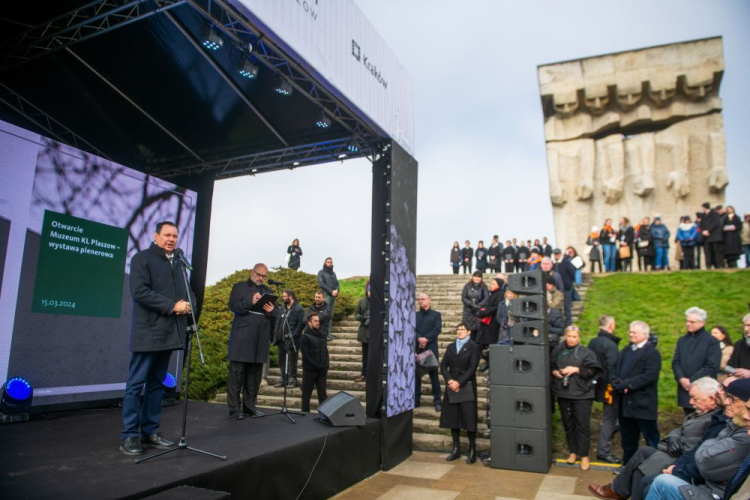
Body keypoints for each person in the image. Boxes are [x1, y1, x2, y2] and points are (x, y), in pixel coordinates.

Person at [120, 221, 195, 455]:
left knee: (156, 386)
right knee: (135, 385)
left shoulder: (179, 264)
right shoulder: (142, 259)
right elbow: (140, 292)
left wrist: (190, 305)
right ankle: (130, 436)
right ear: (156, 237)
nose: (171, 239)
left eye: (175, 235)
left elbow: (188, 293)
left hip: (170, 334)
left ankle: (150, 432)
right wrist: (173, 306)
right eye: (167, 235)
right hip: (148, 333)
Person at [588, 377, 721, 500]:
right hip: (674, 451)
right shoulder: (703, 411)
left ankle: (621, 491)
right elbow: (681, 429)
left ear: (711, 399)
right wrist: (672, 438)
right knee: (643, 451)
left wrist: (675, 446)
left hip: (683, 459)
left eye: (695, 398)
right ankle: (617, 489)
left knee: (644, 467)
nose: (691, 402)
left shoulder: (715, 419)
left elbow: (699, 449)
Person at [642, 379, 750, 500]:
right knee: (645, 463)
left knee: (659, 482)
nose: (724, 400)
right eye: (722, 388)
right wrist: (673, 439)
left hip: (707, 485)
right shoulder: (727, 420)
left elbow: (705, 462)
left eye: (730, 397)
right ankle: (618, 491)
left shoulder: (739, 430)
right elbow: (685, 432)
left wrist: (677, 470)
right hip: (689, 467)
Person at [226, 263, 276, 420]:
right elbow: (234, 306)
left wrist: (272, 311)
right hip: (242, 339)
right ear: (251, 272)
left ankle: (250, 406)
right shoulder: (239, 287)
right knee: (237, 374)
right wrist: (251, 302)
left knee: (254, 376)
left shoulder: (268, 291)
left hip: (260, 340)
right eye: (259, 275)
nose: (261, 278)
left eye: (264, 276)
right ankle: (234, 408)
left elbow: (277, 312)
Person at [551, 325, 602, 471]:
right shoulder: (558, 350)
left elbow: (594, 370)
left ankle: (584, 455)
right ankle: (573, 451)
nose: (571, 339)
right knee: (568, 424)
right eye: (569, 336)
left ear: (579, 337)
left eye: (574, 337)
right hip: (563, 393)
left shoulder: (587, 353)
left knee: (582, 424)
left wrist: (576, 369)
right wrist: (555, 372)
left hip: (582, 395)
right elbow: (551, 365)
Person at [615, 320, 661, 464]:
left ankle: (654, 465)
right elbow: (617, 368)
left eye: (634, 332)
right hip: (626, 404)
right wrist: (617, 382)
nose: (631, 334)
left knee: (650, 437)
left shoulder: (652, 353)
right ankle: (627, 464)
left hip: (643, 404)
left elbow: (650, 376)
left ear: (645, 334)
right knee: (628, 438)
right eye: (630, 331)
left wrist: (628, 384)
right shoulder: (626, 350)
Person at [439, 323, 481, 464]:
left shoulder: (474, 347)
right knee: (453, 418)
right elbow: (443, 365)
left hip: (466, 385)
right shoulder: (451, 347)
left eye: (462, 329)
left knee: (469, 418)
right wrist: (450, 380)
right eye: (458, 329)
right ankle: (456, 449)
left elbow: (472, 368)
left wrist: (459, 382)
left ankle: (472, 450)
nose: (460, 332)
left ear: (469, 332)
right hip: (452, 385)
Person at [673, 307, 721, 414]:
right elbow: (676, 361)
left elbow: (712, 366)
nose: (688, 324)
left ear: (702, 323)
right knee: (688, 418)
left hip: (703, 391)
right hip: (684, 390)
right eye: (687, 321)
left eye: (692, 322)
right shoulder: (682, 340)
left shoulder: (711, 342)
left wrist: (691, 381)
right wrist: (681, 378)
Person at [588, 315, 623, 464]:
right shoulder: (611, 345)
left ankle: (613, 430)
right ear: (610, 326)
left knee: (610, 418)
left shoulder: (593, 342)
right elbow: (613, 368)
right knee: (609, 418)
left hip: (596, 385)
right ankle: (603, 451)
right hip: (609, 388)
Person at [273, 289, 306, 388]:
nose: (283, 298)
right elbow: (277, 322)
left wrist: (294, 334)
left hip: (292, 339)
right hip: (281, 339)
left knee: (292, 360)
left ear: (290, 296)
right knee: (281, 360)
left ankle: (293, 378)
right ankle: (283, 378)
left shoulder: (298, 308)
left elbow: (302, 323)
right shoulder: (281, 308)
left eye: (284, 296)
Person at [415, 294, 443, 411]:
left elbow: (437, 329)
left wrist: (426, 339)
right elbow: (411, 329)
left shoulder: (436, 315)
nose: (420, 301)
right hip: (417, 349)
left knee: (434, 376)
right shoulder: (415, 315)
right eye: (419, 299)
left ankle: (437, 401)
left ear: (429, 300)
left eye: (423, 299)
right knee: (416, 376)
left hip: (430, 348)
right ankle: (416, 400)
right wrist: (418, 338)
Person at [300, 312, 329, 412]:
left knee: (322, 394)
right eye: (315, 321)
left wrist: (326, 365)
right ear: (309, 323)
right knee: (306, 394)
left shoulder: (322, 335)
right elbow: (306, 356)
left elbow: (326, 351)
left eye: (318, 321)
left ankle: (324, 414)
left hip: (322, 371)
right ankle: (305, 415)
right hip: (310, 370)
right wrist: (316, 365)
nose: (318, 323)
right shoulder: (305, 337)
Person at [476, 276, 504, 349]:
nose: (491, 285)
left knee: (489, 343)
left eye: (494, 284)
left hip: (493, 322)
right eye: (491, 284)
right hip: (488, 322)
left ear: (499, 285)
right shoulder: (493, 294)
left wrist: (483, 313)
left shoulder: (500, 294)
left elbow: (495, 307)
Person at [552, 248, 576, 326]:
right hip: (557, 289)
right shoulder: (553, 264)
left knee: (567, 307)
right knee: (557, 307)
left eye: (557, 254)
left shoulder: (566, 262)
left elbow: (572, 272)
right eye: (555, 254)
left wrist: (569, 282)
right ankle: (560, 323)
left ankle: (568, 323)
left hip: (566, 288)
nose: (556, 255)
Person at [462, 271, 488, 341]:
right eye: (476, 276)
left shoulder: (484, 287)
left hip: (478, 311)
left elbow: (486, 298)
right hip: (468, 311)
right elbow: (463, 297)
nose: (477, 278)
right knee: (468, 330)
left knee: (478, 330)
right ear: (473, 277)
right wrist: (470, 304)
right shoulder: (467, 286)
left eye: (479, 277)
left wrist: (479, 305)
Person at [317, 258, 339, 340]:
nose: (330, 263)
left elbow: (337, 283)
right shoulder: (321, 272)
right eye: (328, 262)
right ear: (325, 263)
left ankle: (329, 333)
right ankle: (324, 333)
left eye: (331, 262)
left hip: (333, 296)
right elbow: (321, 284)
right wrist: (331, 291)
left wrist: (337, 290)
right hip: (326, 295)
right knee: (325, 315)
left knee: (330, 315)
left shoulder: (333, 273)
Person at [354, 282, 371, 383]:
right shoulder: (362, 301)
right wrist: (363, 319)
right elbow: (356, 314)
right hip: (364, 332)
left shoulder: (378, 301)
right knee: (365, 356)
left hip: (374, 333)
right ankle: (364, 374)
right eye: (369, 291)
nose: (370, 293)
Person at [701, 202, 724, 269]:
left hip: (714, 236)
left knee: (716, 251)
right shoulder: (703, 215)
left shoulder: (715, 214)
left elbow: (716, 223)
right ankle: (708, 265)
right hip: (706, 237)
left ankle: (718, 265)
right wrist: (703, 231)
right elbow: (702, 224)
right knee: (707, 252)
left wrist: (708, 230)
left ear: (705, 207)